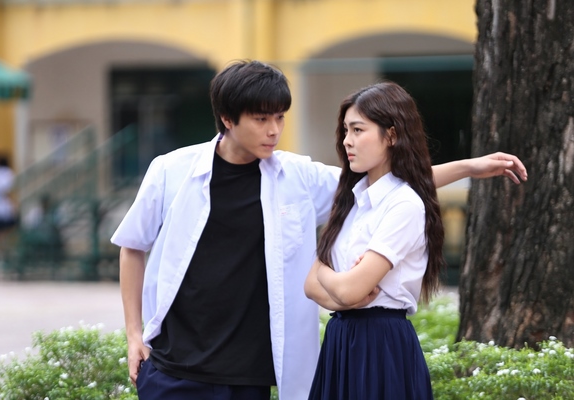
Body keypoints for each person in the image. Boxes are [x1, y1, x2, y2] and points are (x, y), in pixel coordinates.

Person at [110, 60, 527, 400]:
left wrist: (469, 167)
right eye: (261, 119)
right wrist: (134, 335)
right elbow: (132, 246)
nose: (274, 130)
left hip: (249, 374)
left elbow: (387, 179)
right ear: (227, 119)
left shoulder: (296, 176)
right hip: (174, 368)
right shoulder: (171, 171)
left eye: (280, 117)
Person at [304, 82, 448, 398]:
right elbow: (311, 286)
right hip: (341, 337)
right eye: (346, 130)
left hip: (381, 344)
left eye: (358, 130)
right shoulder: (351, 200)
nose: (347, 140)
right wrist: (342, 294)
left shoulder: (403, 204)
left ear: (392, 135)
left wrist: (333, 280)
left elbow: (343, 286)